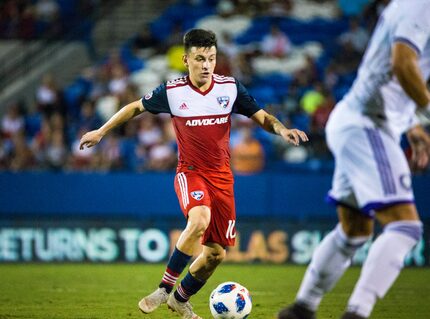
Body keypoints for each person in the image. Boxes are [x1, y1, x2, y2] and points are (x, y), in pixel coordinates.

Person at [79, 28, 308, 319]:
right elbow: (135, 108)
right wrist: (101, 131)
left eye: (211, 58)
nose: (206, 65)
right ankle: (164, 289)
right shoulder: (173, 92)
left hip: (223, 178)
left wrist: (282, 129)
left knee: (216, 254)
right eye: (199, 59)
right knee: (200, 218)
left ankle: (180, 299)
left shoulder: (229, 88)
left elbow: (261, 115)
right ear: (186, 60)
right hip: (191, 172)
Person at [278, 1, 430, 319]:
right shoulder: (422, 5)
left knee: (355, 230)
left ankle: (301, 309)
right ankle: (356, 313)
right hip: (369, 125)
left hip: (358, 120)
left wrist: (411, 124)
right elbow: (402, 64)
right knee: (405, 227)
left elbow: (390, 75)